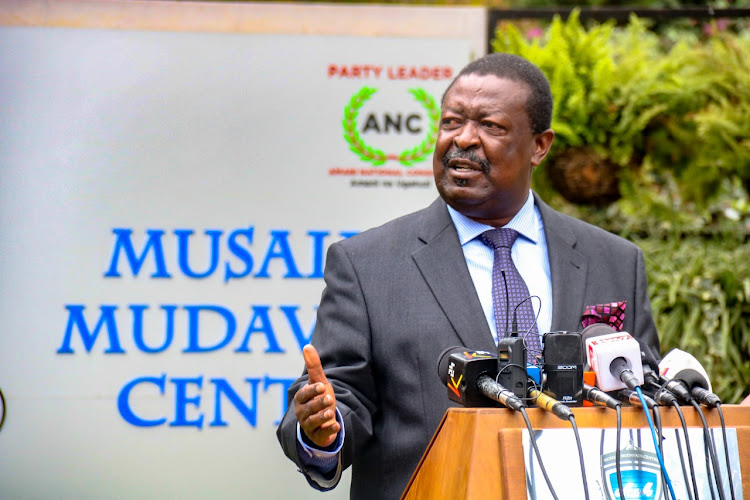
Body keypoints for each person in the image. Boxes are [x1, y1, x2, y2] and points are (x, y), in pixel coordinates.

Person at [276, 53, 661, 499]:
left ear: (539, 145)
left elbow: (643, 394)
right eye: (451, 122)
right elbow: (340, 393)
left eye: (490, 126)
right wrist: (324, 429)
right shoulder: (367, 264)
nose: (463, 139)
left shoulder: (614, 260)